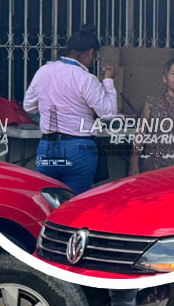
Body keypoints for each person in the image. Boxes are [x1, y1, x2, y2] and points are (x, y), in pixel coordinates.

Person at [22, 26, 117, 195]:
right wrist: (108, 82)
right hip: (78, 150)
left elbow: (28, 106)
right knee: (74, 206)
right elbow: (108, 114)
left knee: (47, 202)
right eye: (94, 55)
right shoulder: (86, 79)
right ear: (90, 53)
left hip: (47, 147)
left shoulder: (43, 72)